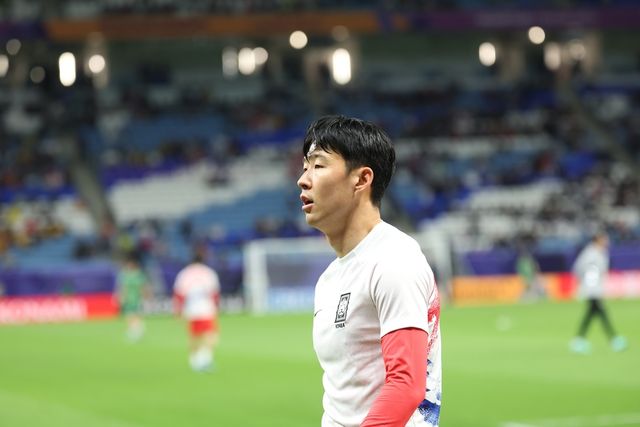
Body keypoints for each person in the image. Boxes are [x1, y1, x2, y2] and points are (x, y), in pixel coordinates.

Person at [296, 116, 442, 427]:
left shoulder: (394, 259)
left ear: (362, 179)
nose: (303, 180)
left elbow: (406, 385)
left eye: (318, 165)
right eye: (305, 167)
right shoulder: (330, 278)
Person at [570, 231, 627, 354]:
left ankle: (579, 340)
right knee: (601, 313)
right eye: (604, 239)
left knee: (592, 314)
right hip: (592, 289)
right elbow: (578, 269)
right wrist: (586, 283)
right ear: (597, 240)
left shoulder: (598, 252)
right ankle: (614, 339)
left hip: (595, 289)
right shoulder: (590, 254)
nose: (607, 241)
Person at [173, 252, 221, 372]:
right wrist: (216, 307)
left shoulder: (184, 273)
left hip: (191, 309)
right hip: (206, 308)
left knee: (194, 336)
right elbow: (214, 293)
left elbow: (179, 294)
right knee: (211, 334)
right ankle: (204, 358)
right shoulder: (208, 272)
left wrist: (178, 311)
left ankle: (194, 360)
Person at [116, 253, 150, 342]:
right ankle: (135, 329)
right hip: (129, 298)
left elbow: (143, 287)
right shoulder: (125, 275)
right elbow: (123, 287)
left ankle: (136, 330)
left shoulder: (138, 275)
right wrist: (121, 296)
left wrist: (145, 296)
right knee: (129, 315)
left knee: (133, 314)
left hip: (136, 298)